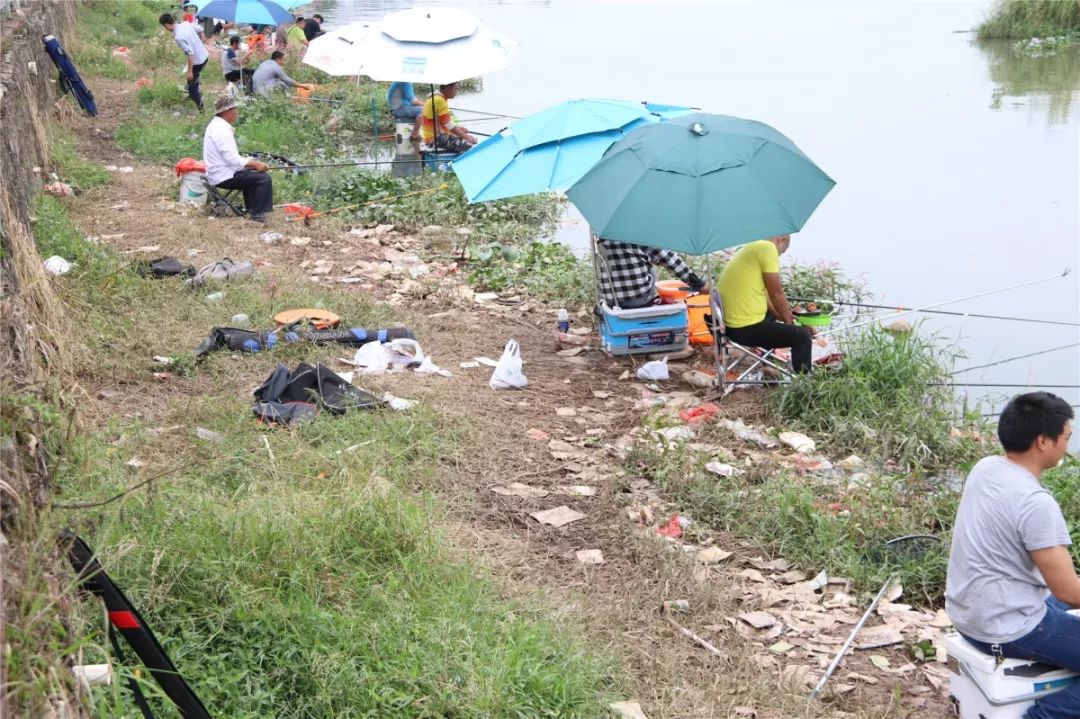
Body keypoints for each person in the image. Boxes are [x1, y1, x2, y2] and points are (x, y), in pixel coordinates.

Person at [945, 392, 1077, 719]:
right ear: (1043, 442)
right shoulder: (1035, 503)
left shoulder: (986, 468)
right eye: (1066, 437)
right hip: (1005, 630)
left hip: (968, 615)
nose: (1068, 445)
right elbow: (1068, 591)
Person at [715, 234, 813, 373]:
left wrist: (788, 317)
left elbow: (768, 297)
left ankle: (769, 363)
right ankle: (804, 386)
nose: (778, 257)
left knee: (774, 316)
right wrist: (791, 325)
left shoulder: (752, 246)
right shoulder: (768, 248)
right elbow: (776, 293)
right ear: (780, 240)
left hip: (730, 327)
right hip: (744, 329)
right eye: (781, 252)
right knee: (802, 336)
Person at [203, 94, 273, 222]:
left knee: (252, 174)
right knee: (263, 178)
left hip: (220, 173)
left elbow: (232, 159)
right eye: (234, 109)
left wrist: (252, 165)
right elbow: (234, 160)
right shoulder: (221, 130)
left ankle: (252, 209)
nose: (236, 112)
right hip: (223, 176)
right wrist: (256, 164)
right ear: (226, 112)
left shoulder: (217, 126)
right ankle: (258, 214)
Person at [596, 237, 705, 309]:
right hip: (638, 299)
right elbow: (670, 260)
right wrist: (699, 284)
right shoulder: (640, 235)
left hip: (611, 299)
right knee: (651, 266)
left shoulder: (603, 236)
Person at [159, 13, 209, 111]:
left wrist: (190, 71)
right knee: (193, 81)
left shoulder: (179, 37)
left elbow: (190, 54)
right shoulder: (186, 24)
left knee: (192, 86)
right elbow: (200, 29)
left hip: (197, 61)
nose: (165, 29)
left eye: (164, 26)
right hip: (204, 55)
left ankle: (201, 109)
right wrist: (199, 40)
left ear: (166, 25)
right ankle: (193, 95)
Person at [421, 82, 477, 154]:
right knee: (468, 146)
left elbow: (444, 123)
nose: (457, 92)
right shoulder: (440, 100)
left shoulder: (435, 97)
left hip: (432, 136)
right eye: (455, 89)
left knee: (463, 135)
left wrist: (459, 128)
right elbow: (449, 125)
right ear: (448, 87)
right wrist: (467, 137)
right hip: (434, 139)